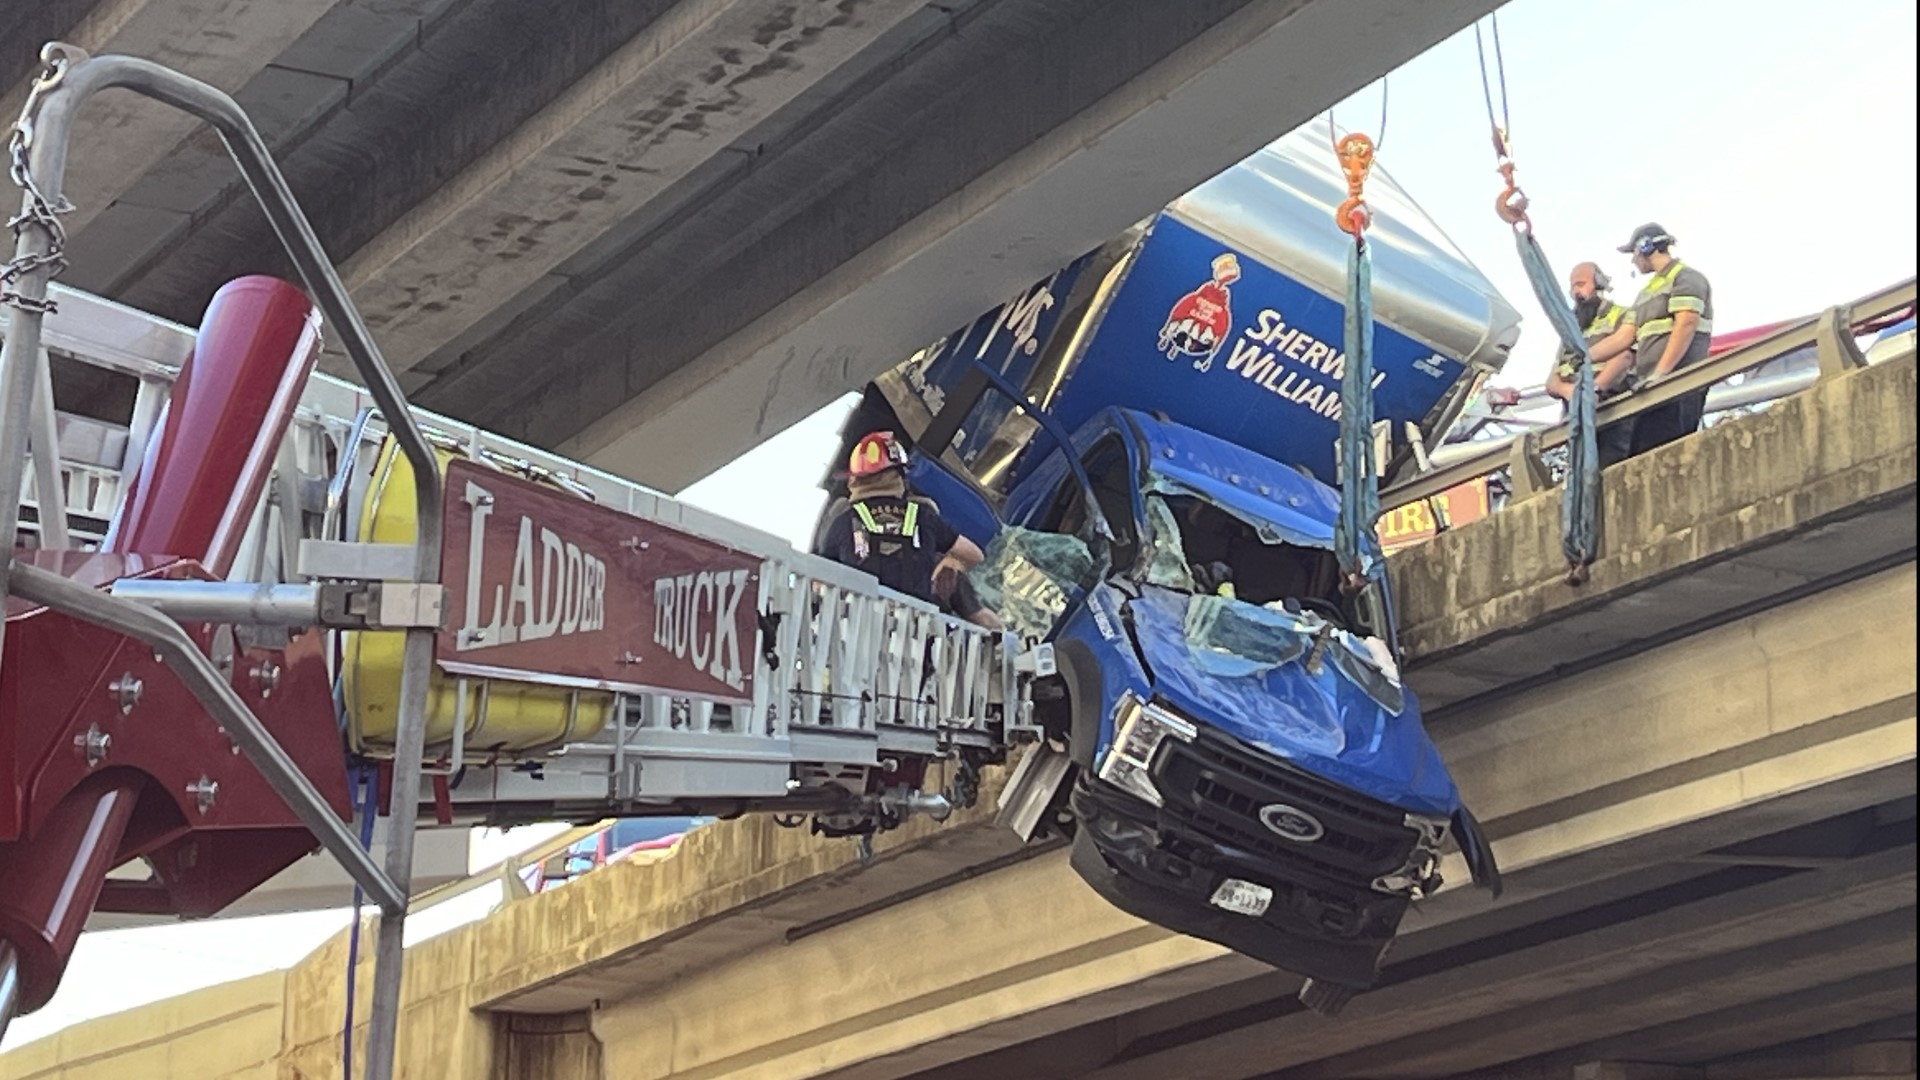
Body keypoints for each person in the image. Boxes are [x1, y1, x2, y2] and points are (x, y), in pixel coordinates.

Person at [817, 431, 990, 622]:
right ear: (899, 476)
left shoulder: (843, 521)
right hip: (915, 633)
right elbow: (974, 555)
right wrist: (952, 562)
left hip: (860, 634)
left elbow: (818, 581)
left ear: (855, 480)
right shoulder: (923, 516)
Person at [1613, 222, 1715, 459]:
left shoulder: (1685, 278)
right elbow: (1624, 337)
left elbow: (1686, 323)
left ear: (1645, 247)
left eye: (1634, 253)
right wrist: (1585, 355)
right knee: (1643, 457)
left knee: (1671, 457)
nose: (1633, 260)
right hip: (1651, 388)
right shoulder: (1647, 292)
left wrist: (1662, 373)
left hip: (1678, 384)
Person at [1545, 261, 1639, 466]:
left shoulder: (1620, 315)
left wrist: (1594, 390)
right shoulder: (1571, 331)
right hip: (1576, 419)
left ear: (1598, 283)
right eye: (1572, 287)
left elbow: (1625, 357)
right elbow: (1552, 381)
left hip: (1612, 413)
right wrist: (1569, 391)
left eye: (1580, 284)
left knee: (1612, 471)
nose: (1575, 292)